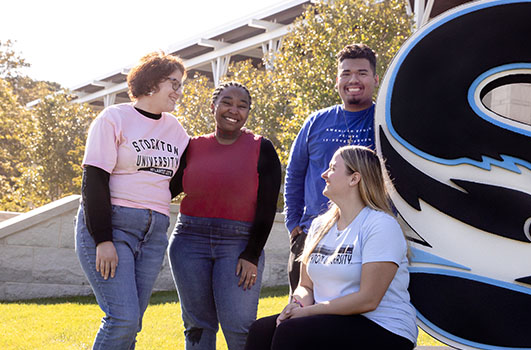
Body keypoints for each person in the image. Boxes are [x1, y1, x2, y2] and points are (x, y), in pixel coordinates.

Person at [245, 145, 417, 350]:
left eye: (333, 168)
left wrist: (308, 312)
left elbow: (368, 300)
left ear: (354, 179)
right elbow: (305, 286)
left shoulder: (380, 225)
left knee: (292, 332)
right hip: (329, 318)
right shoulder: (319, 225)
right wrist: (297, 305)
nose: (324, 174)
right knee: (261, 330)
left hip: (383, 326)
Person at [75, 51, 189, 350]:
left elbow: (180, 177)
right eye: (174, 84)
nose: (178, 92)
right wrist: (103, 239)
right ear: (152, 81)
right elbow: (94, 180)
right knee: (121, 318)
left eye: (180, 85)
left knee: (132, 322)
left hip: (153, 234)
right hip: (113, 226)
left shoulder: (175, 129)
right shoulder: (114, 118)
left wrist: (158, 195)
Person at [168, 81, 282, 350]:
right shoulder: (191, 147)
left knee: (239, 326)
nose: (234, 110)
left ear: (248, 114)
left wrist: (252, 254)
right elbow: (164, 189)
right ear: (213, 107)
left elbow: (267, 208)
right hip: (188, 241)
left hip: (239, 244)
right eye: (227, 103)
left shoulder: (262, 149)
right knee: (197, 325)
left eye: (242, 106)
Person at [284, 43, 379, 294]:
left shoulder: (385, 120)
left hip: (367, 234)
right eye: (346, 73)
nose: (353, 80)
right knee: (302, 313)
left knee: (357, 316)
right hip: (312, 233)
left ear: (376, 79)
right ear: (337, 80)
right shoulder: (316, 122)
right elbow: (294, 174)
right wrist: (294, 224)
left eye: (362, 73)